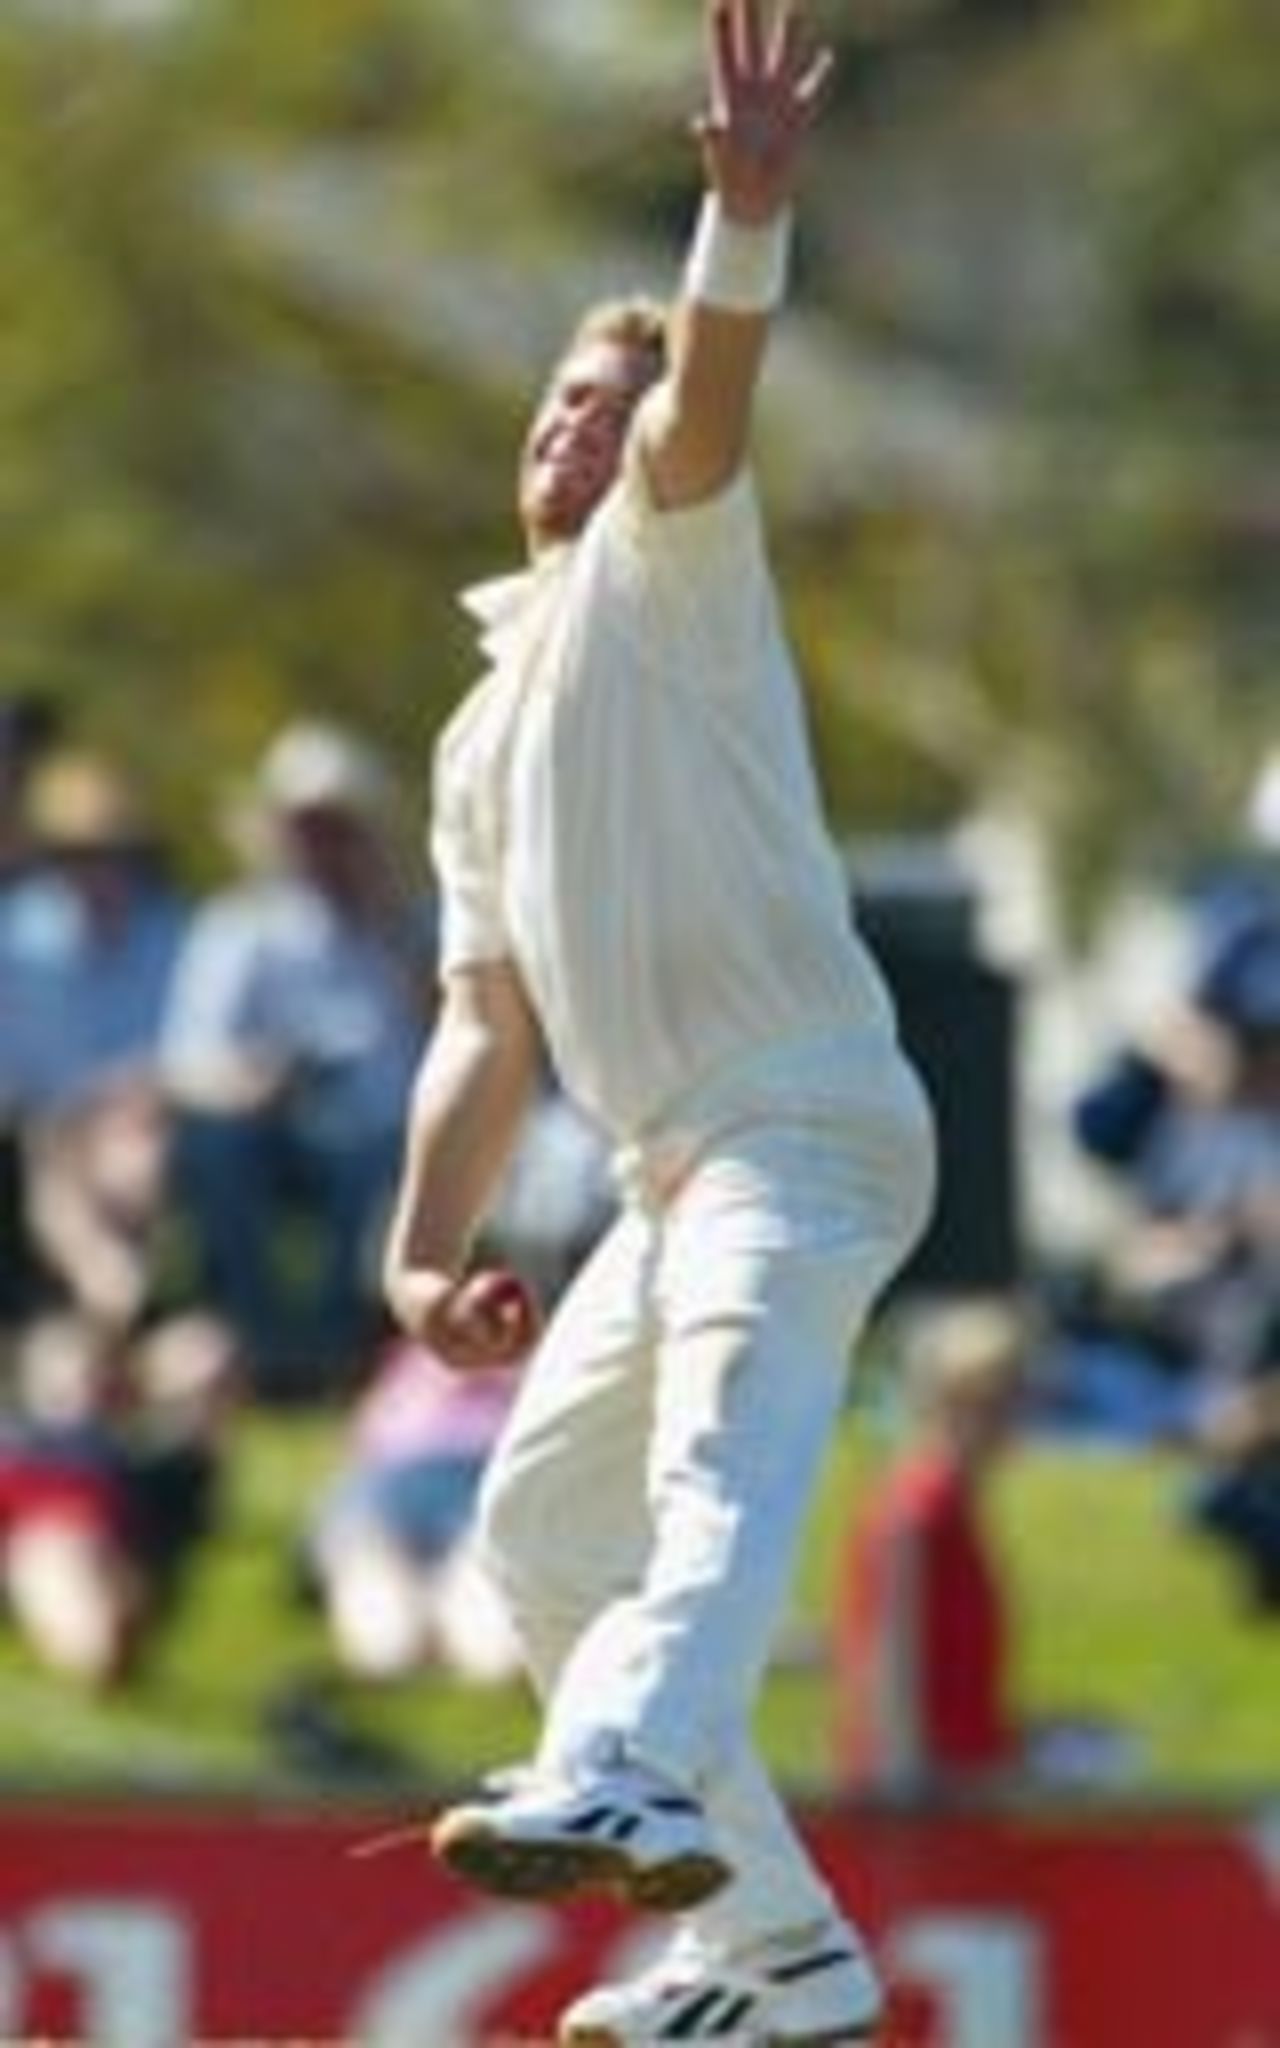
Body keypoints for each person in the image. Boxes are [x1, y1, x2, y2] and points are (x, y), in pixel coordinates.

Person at [379, 5, 936, 2041]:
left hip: (800, 1117)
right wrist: (416, 1248)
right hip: (663, 1166)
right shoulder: (477, 724)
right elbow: (478, 1022)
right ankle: (777, 1950)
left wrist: (741, 227)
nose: (582, 430)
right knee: (536, 1531)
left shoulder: (670, 567)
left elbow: (708, 400)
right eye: (558, 397)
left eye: (613, 407)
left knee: (721, 1464)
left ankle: (617, 1760)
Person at [162, 721, 434, 1400]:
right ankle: (265, 1339)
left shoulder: (421, 926)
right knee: (218, 1149)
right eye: (307, 827)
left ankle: (335, 1347)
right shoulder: (240, 926)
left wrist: (391, 924)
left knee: (372, 1157)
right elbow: (189, 1061)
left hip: (393, 1137)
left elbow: (458, 1035)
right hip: (272, 1129)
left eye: (337, 827)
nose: (321, 845)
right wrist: (255, 1082)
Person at [832, 1301, 1024, 1795]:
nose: (1012, 1420)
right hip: (928, 1795)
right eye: (996, 1401)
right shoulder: (919, 1509)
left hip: (968, 1779)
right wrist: (908, 1788)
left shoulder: (956, 1506)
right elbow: (889, 1656)